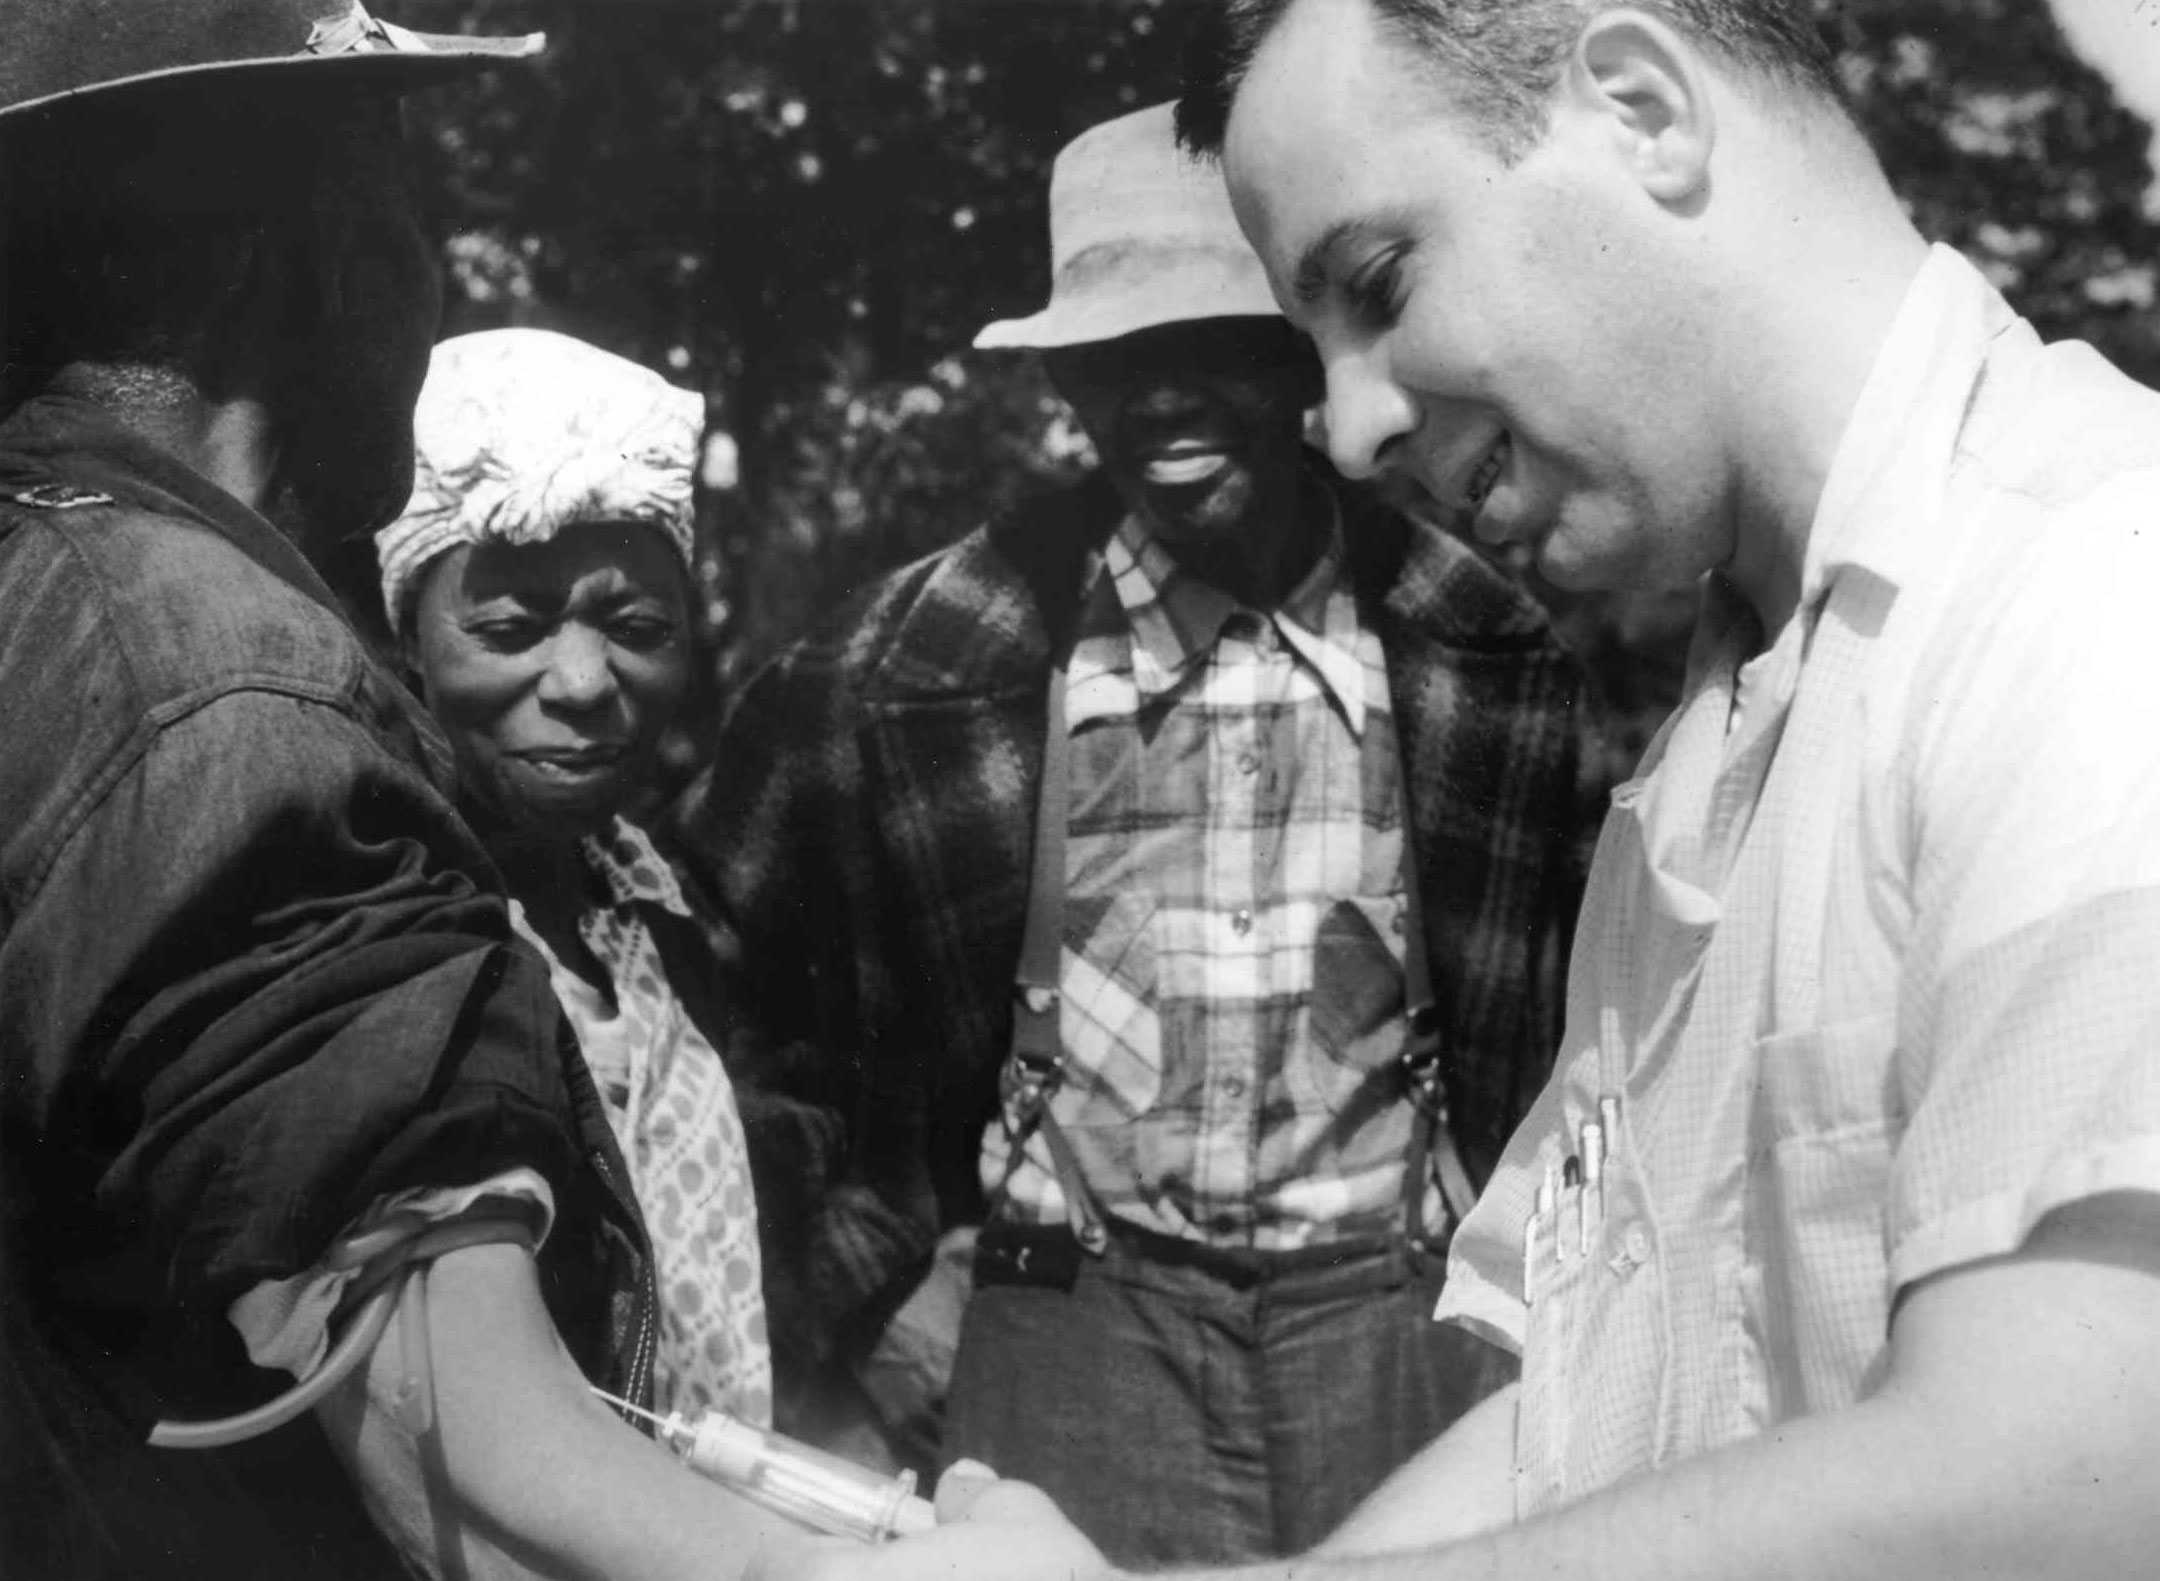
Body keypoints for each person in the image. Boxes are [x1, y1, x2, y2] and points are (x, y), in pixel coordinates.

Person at [793, 1, 2160, 1576]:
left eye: (1378, 285)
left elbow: (2072, 1483)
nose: (1353, 426)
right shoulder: (1711, 736)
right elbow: (1566, 1418)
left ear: (1644, 109)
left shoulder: (2091, 592)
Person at [679, 100, 1607, 1567]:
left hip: (1407, 1324)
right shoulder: (916, 662)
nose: (1160, 398)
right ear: (1061, 377)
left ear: (1298, 357)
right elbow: (694, 979)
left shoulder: (1495, 645)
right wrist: (867, 1294)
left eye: (1209, 346)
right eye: (1114, 356)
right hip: (1067, 1321)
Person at [0, 7, 826, 1576]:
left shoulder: (40, 587)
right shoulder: (222, 692)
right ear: (317, 261)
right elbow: (484, 1479)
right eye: (408, 221)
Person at [374, 326, 782, 1425]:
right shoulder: (381, 937)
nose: (584, 680)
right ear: (405, 635)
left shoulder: (657, 911)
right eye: (508, 626)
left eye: (637, 624)